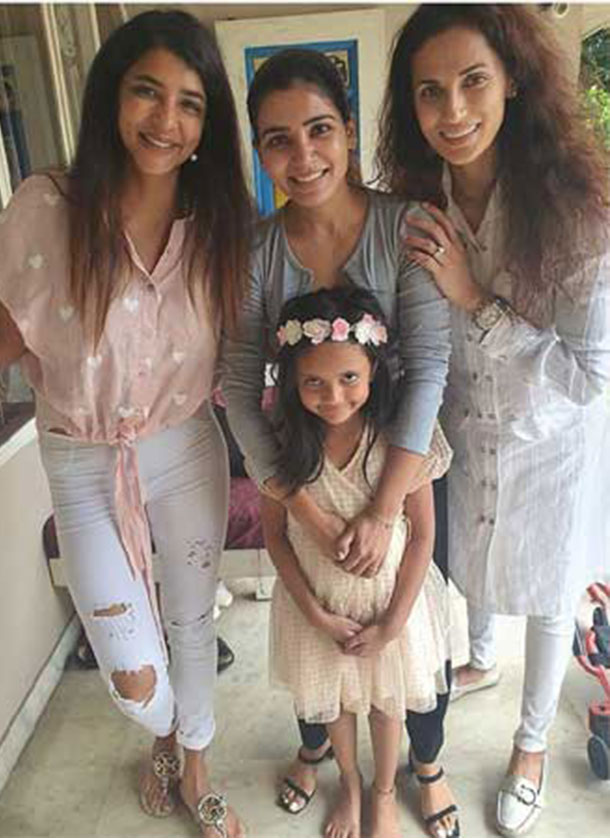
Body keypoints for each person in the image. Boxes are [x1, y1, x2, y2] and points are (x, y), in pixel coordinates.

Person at [0, 11, 253, 838]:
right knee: (133, 671)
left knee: (192, 619)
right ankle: (163, 725)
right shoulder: (47, 210)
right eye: (147, 92)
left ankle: (193, 759)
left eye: (190, 103)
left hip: (185, 445)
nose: (167, 120)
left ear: (208, 123)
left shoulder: (219, 221)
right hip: (83, 459)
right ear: (110, 98)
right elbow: (4, 341)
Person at [377, 4, 610, 835]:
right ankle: (479, 660)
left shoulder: (576, 213)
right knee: (465, 563)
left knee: (547, 592)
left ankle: (532, 743)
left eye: (473, 81)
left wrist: (477, 302)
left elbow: (588, 376)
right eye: (429, 91)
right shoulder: (415, 205)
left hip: (551, 441)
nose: (452, 112)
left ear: (512, 79)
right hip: (460, 432)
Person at [223, 47, 459, 838]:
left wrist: (385, 509)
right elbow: (238, 386)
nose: (303, 156)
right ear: (259, 151)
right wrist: (310, 514)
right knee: (318, 643)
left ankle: (419, 772)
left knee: (408, 637)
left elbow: (428, 367)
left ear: (349, 130)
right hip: (301, 475)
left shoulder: (406, 225)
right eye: (277, 139)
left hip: (400, 466)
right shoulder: (255, 253)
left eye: (319, 129)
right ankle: (327, 763)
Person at [262, 287, 451, 838]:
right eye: (314, 383)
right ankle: (348, 783)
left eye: (349, 378)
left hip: (392, 609)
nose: (334, 397)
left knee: (388, 704)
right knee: (336, 703)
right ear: (292, 382)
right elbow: (276, 538)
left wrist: (393, 623)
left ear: (373, 370)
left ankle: (384, 791)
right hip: (319, 610)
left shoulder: (399, 440)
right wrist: (315, 614)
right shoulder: (282, 446)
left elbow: (422, 537)